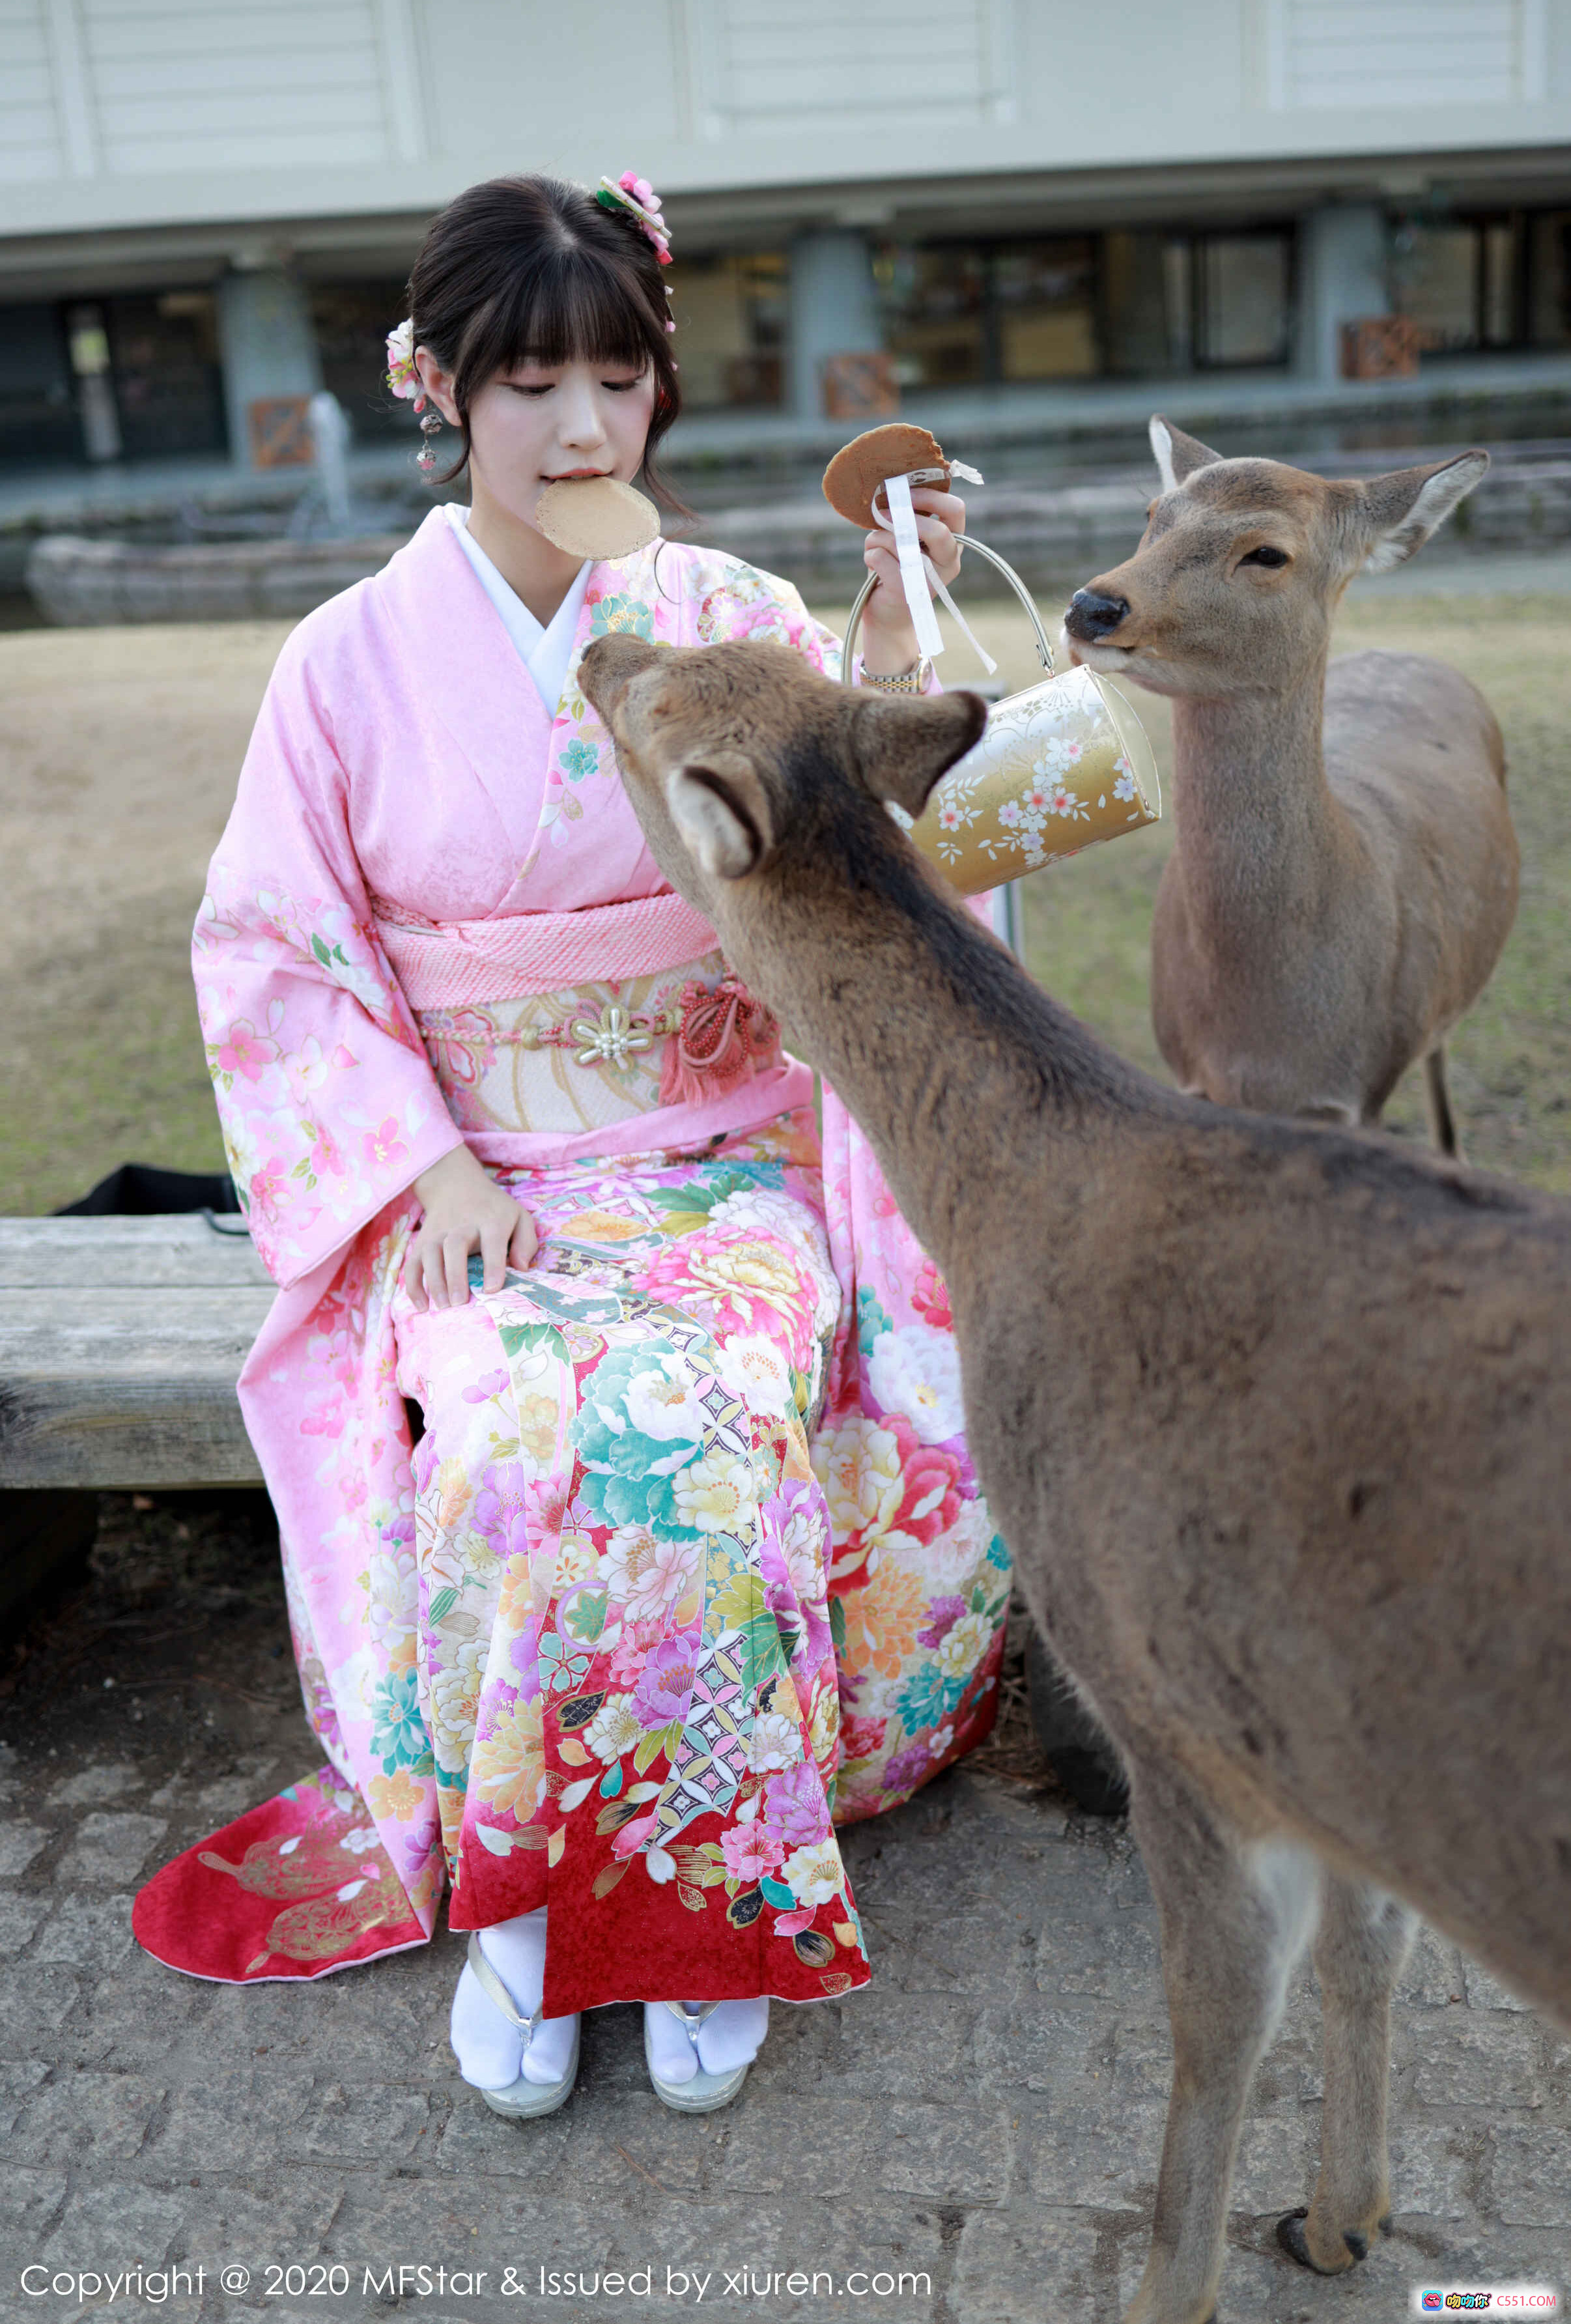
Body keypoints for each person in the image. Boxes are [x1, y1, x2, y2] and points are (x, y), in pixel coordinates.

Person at [143, 171, 1011, 2119]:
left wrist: (878, 630)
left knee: (696, 1416)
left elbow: (848, 861)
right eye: (529, 379)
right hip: (474, 1185)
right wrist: (416, 1167)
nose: (582, 429)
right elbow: (275, 949)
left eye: (617, 377)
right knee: (528, 1434)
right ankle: (529, 1914)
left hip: (714, 1153)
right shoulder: (345, 663)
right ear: (434, 384)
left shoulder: (724, 614)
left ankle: (706, 1905)